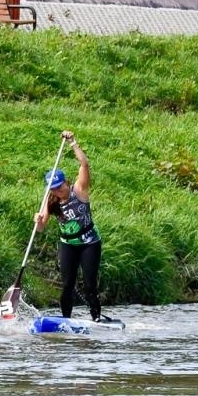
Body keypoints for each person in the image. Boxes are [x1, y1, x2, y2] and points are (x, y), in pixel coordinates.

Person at [35, 131, 113, 322]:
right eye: (54, 188)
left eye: (60, 186)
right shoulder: (50, 201)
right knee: (67, 284)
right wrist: (37, 220)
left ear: (66, 182)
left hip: (89, 243)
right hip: (68, 244)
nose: (58, 191)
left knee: (89, 285)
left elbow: (84, 165)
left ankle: (96, 318)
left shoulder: (78, 190)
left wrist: (72, 143)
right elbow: (41, 228)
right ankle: (65, 320)